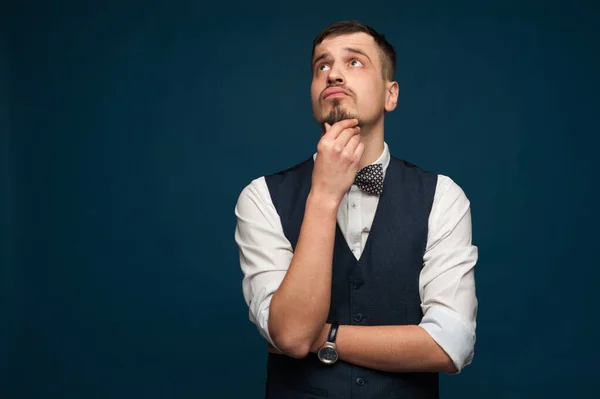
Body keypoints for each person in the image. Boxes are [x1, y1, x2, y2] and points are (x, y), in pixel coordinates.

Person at [234, 20, 478, 399]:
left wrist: (328, 337)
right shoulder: (260, 197)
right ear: (314, 92)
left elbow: (451, 345)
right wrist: (324, 196)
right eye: (322, 66)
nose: (333, 73)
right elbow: (294, 336)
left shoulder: (443, 196)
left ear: (390, 94)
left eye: (355, 62)